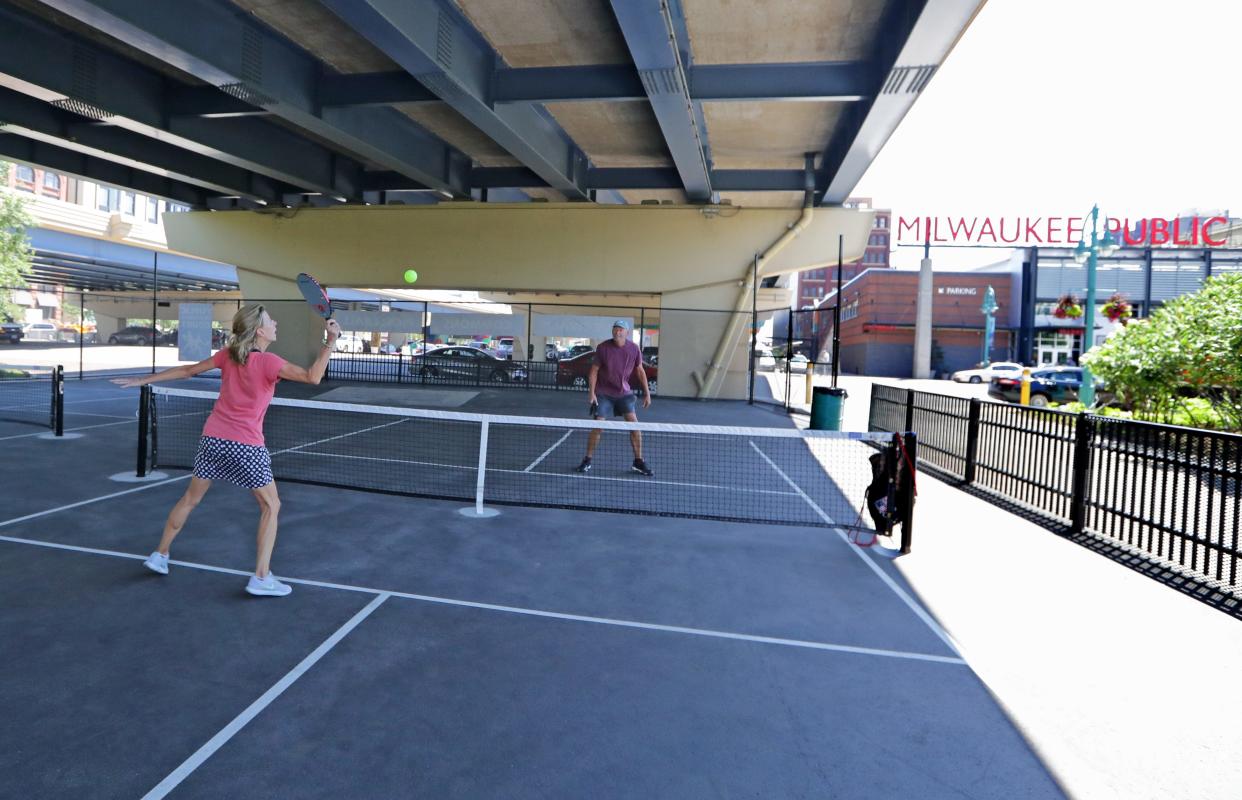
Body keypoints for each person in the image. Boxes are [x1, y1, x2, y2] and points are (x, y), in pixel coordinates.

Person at [113, 305, 340, 597]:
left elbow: (187, 370)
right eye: (271, 321)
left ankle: (160, 554)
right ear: (259, 331)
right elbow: (313, 377)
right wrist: (330, 341)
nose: (276, 323)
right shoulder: (269, 362)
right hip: (246, 444)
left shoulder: (228, 356)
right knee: (271, 506)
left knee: (190, 499)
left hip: (213, 439)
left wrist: (144, 380)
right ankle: (261, 577)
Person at [575, 319, 653, 476]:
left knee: (635, 427)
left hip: (624, 394)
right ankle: (587, 460)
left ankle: (638, 462)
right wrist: (591, 393)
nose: (617, 332)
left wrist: (647, 393)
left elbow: (640, 371)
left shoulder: (633, 349)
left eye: (621, 330)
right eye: (615, 329)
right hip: (604, 394)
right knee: (598, 426)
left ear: (627, 333)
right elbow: (594, 371)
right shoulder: (603, 348)